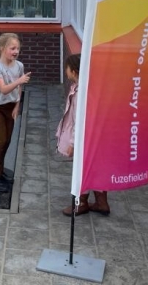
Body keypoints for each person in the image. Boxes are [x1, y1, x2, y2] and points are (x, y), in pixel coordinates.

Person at [56, 54, 110, 217]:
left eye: (67, 68)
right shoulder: (85, 87)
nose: (66, 71)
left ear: (74, 71)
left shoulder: (81, 93)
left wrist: (73, 143)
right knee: (94, 168)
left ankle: (81, 204)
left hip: (83, 139)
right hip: (94, 137)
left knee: (81, 170)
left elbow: (79, 120)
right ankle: (102, 202)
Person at [0, 33, 30, 192]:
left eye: (18, 48)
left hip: (10, 106)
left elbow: (19, 89)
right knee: (2, 140)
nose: (16, 51)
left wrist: (17, 106)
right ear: (2, 48)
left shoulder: (19, 66)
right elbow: (4, 90)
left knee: (7, 141)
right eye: (12, 48)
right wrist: (19, 80)